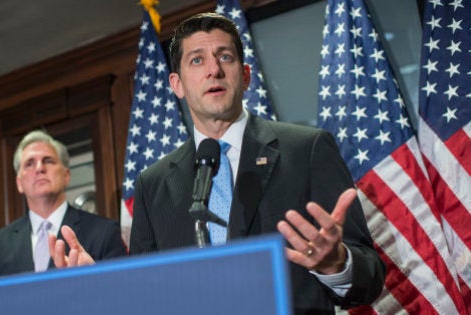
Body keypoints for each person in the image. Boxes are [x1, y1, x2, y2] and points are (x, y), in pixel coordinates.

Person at [127, 13, 385, 314]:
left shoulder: (306, 149)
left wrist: (336, 263)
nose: (214, 70)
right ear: (177, 84)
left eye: (225, 57)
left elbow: (370, 279)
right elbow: (146, 294)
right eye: (197, 60)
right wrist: (108, 288)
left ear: (245, 75)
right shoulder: (153, 183)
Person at [0, 130, 127, 279]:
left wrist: (95, 280)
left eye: (48, 161)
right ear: (19, 183)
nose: (40, 168)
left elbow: (123, 294)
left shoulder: (104, 232)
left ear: (66, 176)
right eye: (29, 164)